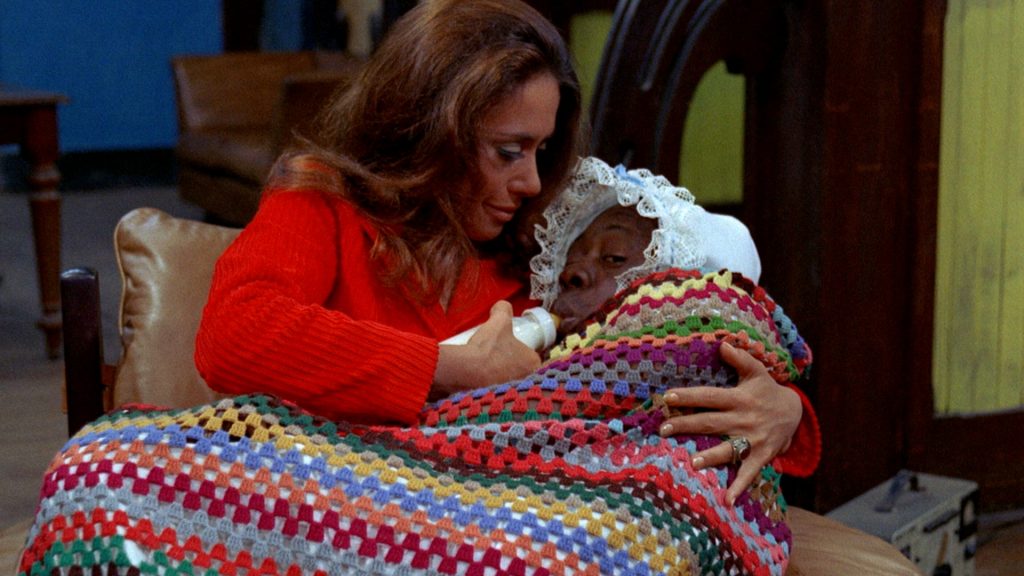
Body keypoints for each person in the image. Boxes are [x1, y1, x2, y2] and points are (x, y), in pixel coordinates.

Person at [195, 0, 584, 425]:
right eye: (508, 151)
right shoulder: (322, 200)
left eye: (541, 151)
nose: (532, 183)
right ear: (428, 131)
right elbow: (232, 338)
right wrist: (447, 369)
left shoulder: (542, 261)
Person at [529, 156, 820, 503]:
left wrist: (785, 412)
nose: (571, 273)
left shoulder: (723, 376)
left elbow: (767, 422)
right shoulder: (532, 352)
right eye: (571, 258)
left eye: (614, 258)